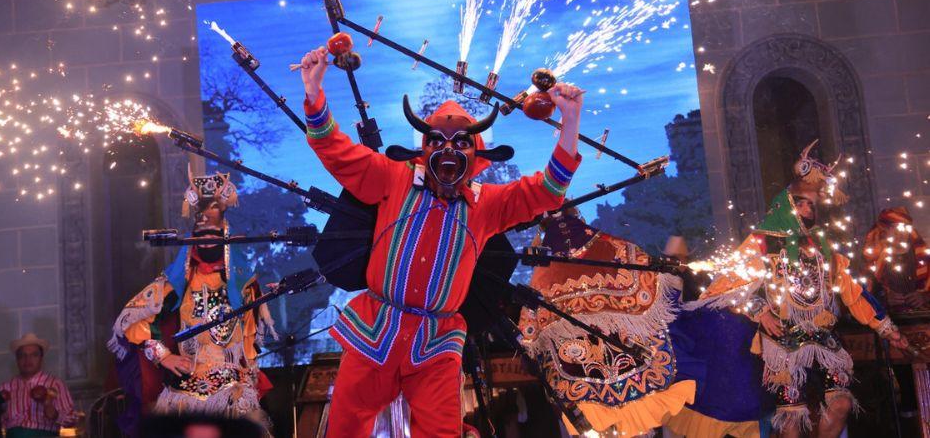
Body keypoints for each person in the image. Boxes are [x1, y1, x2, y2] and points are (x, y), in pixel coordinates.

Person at [297, 45, 584, 437]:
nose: (448, 149)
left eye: (461, 142)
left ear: (477, 154)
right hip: (376, 331)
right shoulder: (394, 177)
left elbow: (548, 191)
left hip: (435, 344)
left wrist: (570, 119)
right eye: (436, 140)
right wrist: (313, 91)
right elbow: (336, 150)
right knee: (344, 429)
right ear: (423, 148)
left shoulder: (487, 204)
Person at [697, 141, 911, 437]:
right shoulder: (762, 242)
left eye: (812, 204)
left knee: (841, 404)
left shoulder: (823, 245)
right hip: (782, 339)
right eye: (801, 203)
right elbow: (724, 289)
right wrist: (760, 311)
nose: (808, 210)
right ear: (786, 203)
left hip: (823, 335)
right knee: (791, 417)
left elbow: (853, 292)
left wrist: (887, 329)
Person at [108, 169, 275, 429]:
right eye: (201, 231)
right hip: (185, 392)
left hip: (234, 392)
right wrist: (164, 356)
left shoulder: (244, 285)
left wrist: (250, 377)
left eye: (213, 232)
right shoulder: (177, 282)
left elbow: (250, 345)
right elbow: (133, 320)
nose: (207, 239)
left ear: (225, 234)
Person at [517, 212, 697, 436]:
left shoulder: (543, 271)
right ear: (578, 217)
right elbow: (647, 271)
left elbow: (530, 331)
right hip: (631, 365)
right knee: (639, 420)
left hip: (580, 377)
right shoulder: (611, 246)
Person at [0, 333, 76, 437]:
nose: (28, 360)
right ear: (17, 360)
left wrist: (54, 414)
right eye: (22, 355)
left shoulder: (55, 384)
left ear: (41, 359)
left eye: (34, 355)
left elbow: (72, 420)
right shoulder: (5, 388)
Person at [862, 206, 930, 312]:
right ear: (885, 229)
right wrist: (884, 298)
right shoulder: (873, 257)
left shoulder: (923, 254)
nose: (900, 232)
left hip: (922, 315)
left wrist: (924, 296)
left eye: (905, 227)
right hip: (889, 317)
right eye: (895, 227)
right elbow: (863, 294)